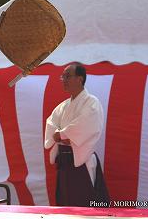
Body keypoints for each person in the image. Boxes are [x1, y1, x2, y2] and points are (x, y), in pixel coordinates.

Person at [44, 63, 110, 207]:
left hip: (81, 160)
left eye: (67, 76)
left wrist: (62, 135)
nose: (64, 80)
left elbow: (85, 125)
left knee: (85, 203)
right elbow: (51, 123)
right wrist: (60, 135)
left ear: (80, 79)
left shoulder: (91, 102)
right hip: (64, 161)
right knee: (65, 202)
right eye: (63, 77)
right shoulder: (63, 106)